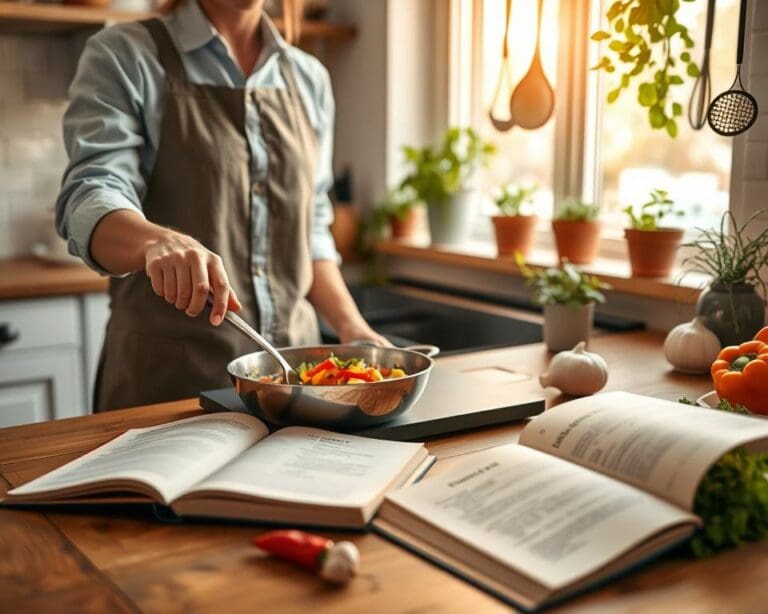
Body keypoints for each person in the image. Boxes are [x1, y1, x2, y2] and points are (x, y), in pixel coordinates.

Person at [55, 0, 387, 411]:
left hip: (297, 392)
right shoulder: (125, 55)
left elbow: (311, 231)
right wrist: (156, 241)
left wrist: (350, 325)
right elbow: (89, 195)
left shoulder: (309, 79)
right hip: (169, 391)